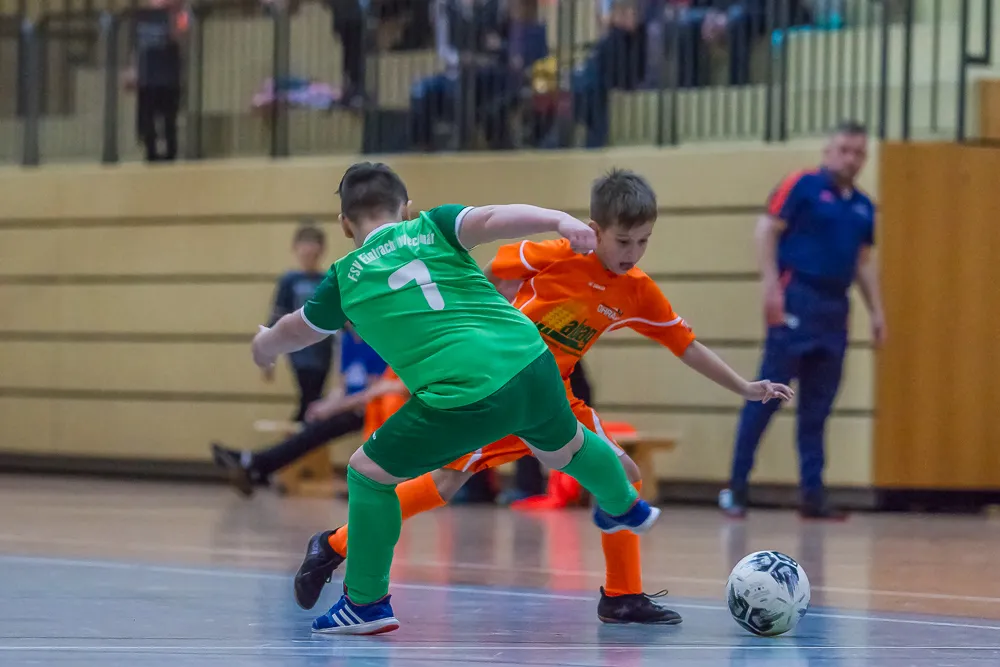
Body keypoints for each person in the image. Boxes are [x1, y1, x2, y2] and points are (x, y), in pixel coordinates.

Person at [284, 167, 794, 629]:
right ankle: (336, 544)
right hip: (498, 382)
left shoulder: (636, 291)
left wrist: (745, 387)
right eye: (623, 240)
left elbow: (686, 345)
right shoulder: (552, 255)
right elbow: (488, 276)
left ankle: (622, 596)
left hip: (552, 396)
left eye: (643, 241)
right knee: (445, 482)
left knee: (624, 473)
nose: (633, 252)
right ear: (594, 230)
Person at [251, 162, 668, 635]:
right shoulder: (433, 225)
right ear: (407, 209)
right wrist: (559, 220)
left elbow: (297, 329)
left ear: (345, 225)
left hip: (467, 390)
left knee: (367, 473)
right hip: (533, 359)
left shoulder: (344, 278)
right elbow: (493, 218)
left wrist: (265, 344)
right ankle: (624, 503)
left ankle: (364, 603)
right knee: (566, 446)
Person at [720, 120, 885, 520]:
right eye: (844, 150)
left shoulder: (864, 207)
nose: (851, 159)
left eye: (859, 153)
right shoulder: (802, 186)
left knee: (817, 409)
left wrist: (877, 310)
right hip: (797, 300)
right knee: (766, 397)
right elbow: (766, 230)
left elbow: (863, 263)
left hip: (835, 310)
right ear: (828, 151)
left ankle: (813, 495)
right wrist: (770, 287)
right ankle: (736, 487)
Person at [211, 322, 385, 497]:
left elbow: (373, 393)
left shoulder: (378, 340)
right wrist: (324, 405)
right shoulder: (346, 340)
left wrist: (334, 407)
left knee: (323, 427)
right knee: (312, 422)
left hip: (376, 409)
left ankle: (256, 464)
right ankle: (257, 465)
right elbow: (342, 388)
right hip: (352, 406)